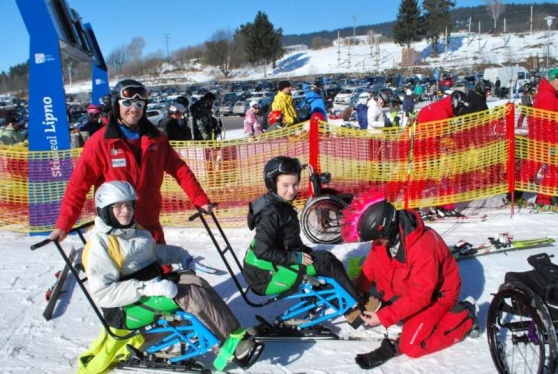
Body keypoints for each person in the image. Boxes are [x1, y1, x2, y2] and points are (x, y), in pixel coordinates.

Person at [79, 181, 259, 372]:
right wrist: (146, 288)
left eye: (129, 205)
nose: (126, 211)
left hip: (150, 289)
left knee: (197, 282)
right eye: (118, 206)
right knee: (189, 295)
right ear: (105, 210)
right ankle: (226, 347)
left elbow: (152, 252)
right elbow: (103, 293)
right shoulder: (101, 245)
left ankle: (234, 334)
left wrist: (179, 255)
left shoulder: (133, 230)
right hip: (125, 309)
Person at [49, 78, 211, 245]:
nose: (134, 109)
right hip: (115, 232)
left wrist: (201, 200)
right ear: (116, 105)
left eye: (139, 104)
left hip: (149, 226)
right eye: (127, 103)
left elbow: (180, 170)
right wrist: (64, 224)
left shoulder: (156, 140)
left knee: (162, 269)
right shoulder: (101, 142)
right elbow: (78, 185)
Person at [340, 194, 479, 370]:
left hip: (438, 296)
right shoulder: (386, 239)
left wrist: (383, 316)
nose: (376, 243)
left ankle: (466, 317)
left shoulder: (423, 247)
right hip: (407, 287)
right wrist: (357, 294)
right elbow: (371, 267)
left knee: (411, 346)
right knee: (380, 266)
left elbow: (420, 296)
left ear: (387, 230)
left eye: (378, 239)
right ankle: (398, 309)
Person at [243, 156, 372, 327]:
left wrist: (302, 253)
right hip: (265, 276)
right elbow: (262, 250)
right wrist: (296, 258)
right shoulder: (271, 213)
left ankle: (348, 298)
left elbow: (287, 240)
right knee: (326, 263)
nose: (291, 190)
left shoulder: (278, 203)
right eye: (285, 185)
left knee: (324, 258)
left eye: (295, 184)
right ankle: (356, 304)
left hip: (267, 266)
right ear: (273, 184)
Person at [416, 90, 470, 218]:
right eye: (460, 108)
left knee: (429, 179)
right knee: (435, 179)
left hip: (426, 147)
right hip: (427, 150)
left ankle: (442, 205)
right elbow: (441, 137)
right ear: (456, 104)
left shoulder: (442, 108)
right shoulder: (442, 113)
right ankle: (414, 209)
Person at [531, 68, 558, 207]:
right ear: (552, 80)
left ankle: (545, 198)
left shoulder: (548, 93)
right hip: (549, 140)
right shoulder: (548, 96)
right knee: (553, 170)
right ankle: (544, 199)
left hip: (547, 139)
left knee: (551, 169)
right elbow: (548, 122)